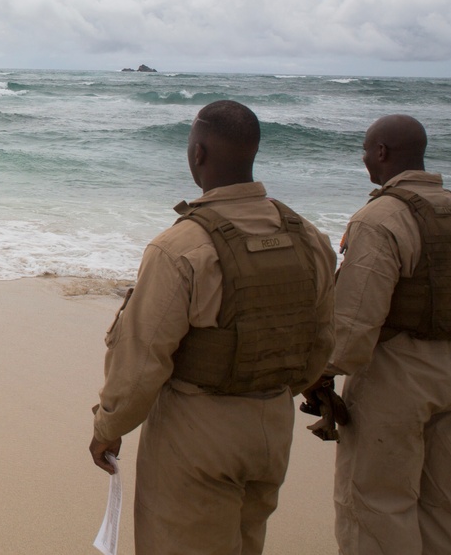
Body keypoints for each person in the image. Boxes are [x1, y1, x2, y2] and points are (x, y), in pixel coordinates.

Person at [89, 100, 336, 555]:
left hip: (197, 432)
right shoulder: (308, 237)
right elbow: (321, 339)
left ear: (198, 154)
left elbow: (144, 358)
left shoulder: (182, 245)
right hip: (271, 428)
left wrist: (109, 426)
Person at [321, 114, 451, 555]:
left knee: (377, 506)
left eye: (367, 151)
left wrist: (319, 372)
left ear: (381, 153)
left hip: (395, 378)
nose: (365, 159)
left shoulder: (381, 218)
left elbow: (354, 325)